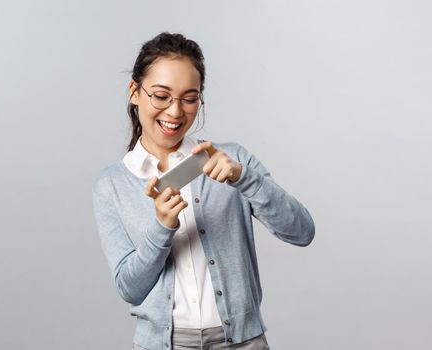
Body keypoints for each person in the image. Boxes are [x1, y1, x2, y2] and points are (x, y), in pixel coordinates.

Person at [91, 32, 315, 350]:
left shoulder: (231, 160)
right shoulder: (111, 184)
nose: (175, 112)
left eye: (189, 97)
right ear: (135, 93)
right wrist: (161, 229)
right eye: (161, 95)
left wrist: (244, 179)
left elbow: (302, 231)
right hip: (162, 344)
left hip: (242, 342)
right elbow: (130, 288)